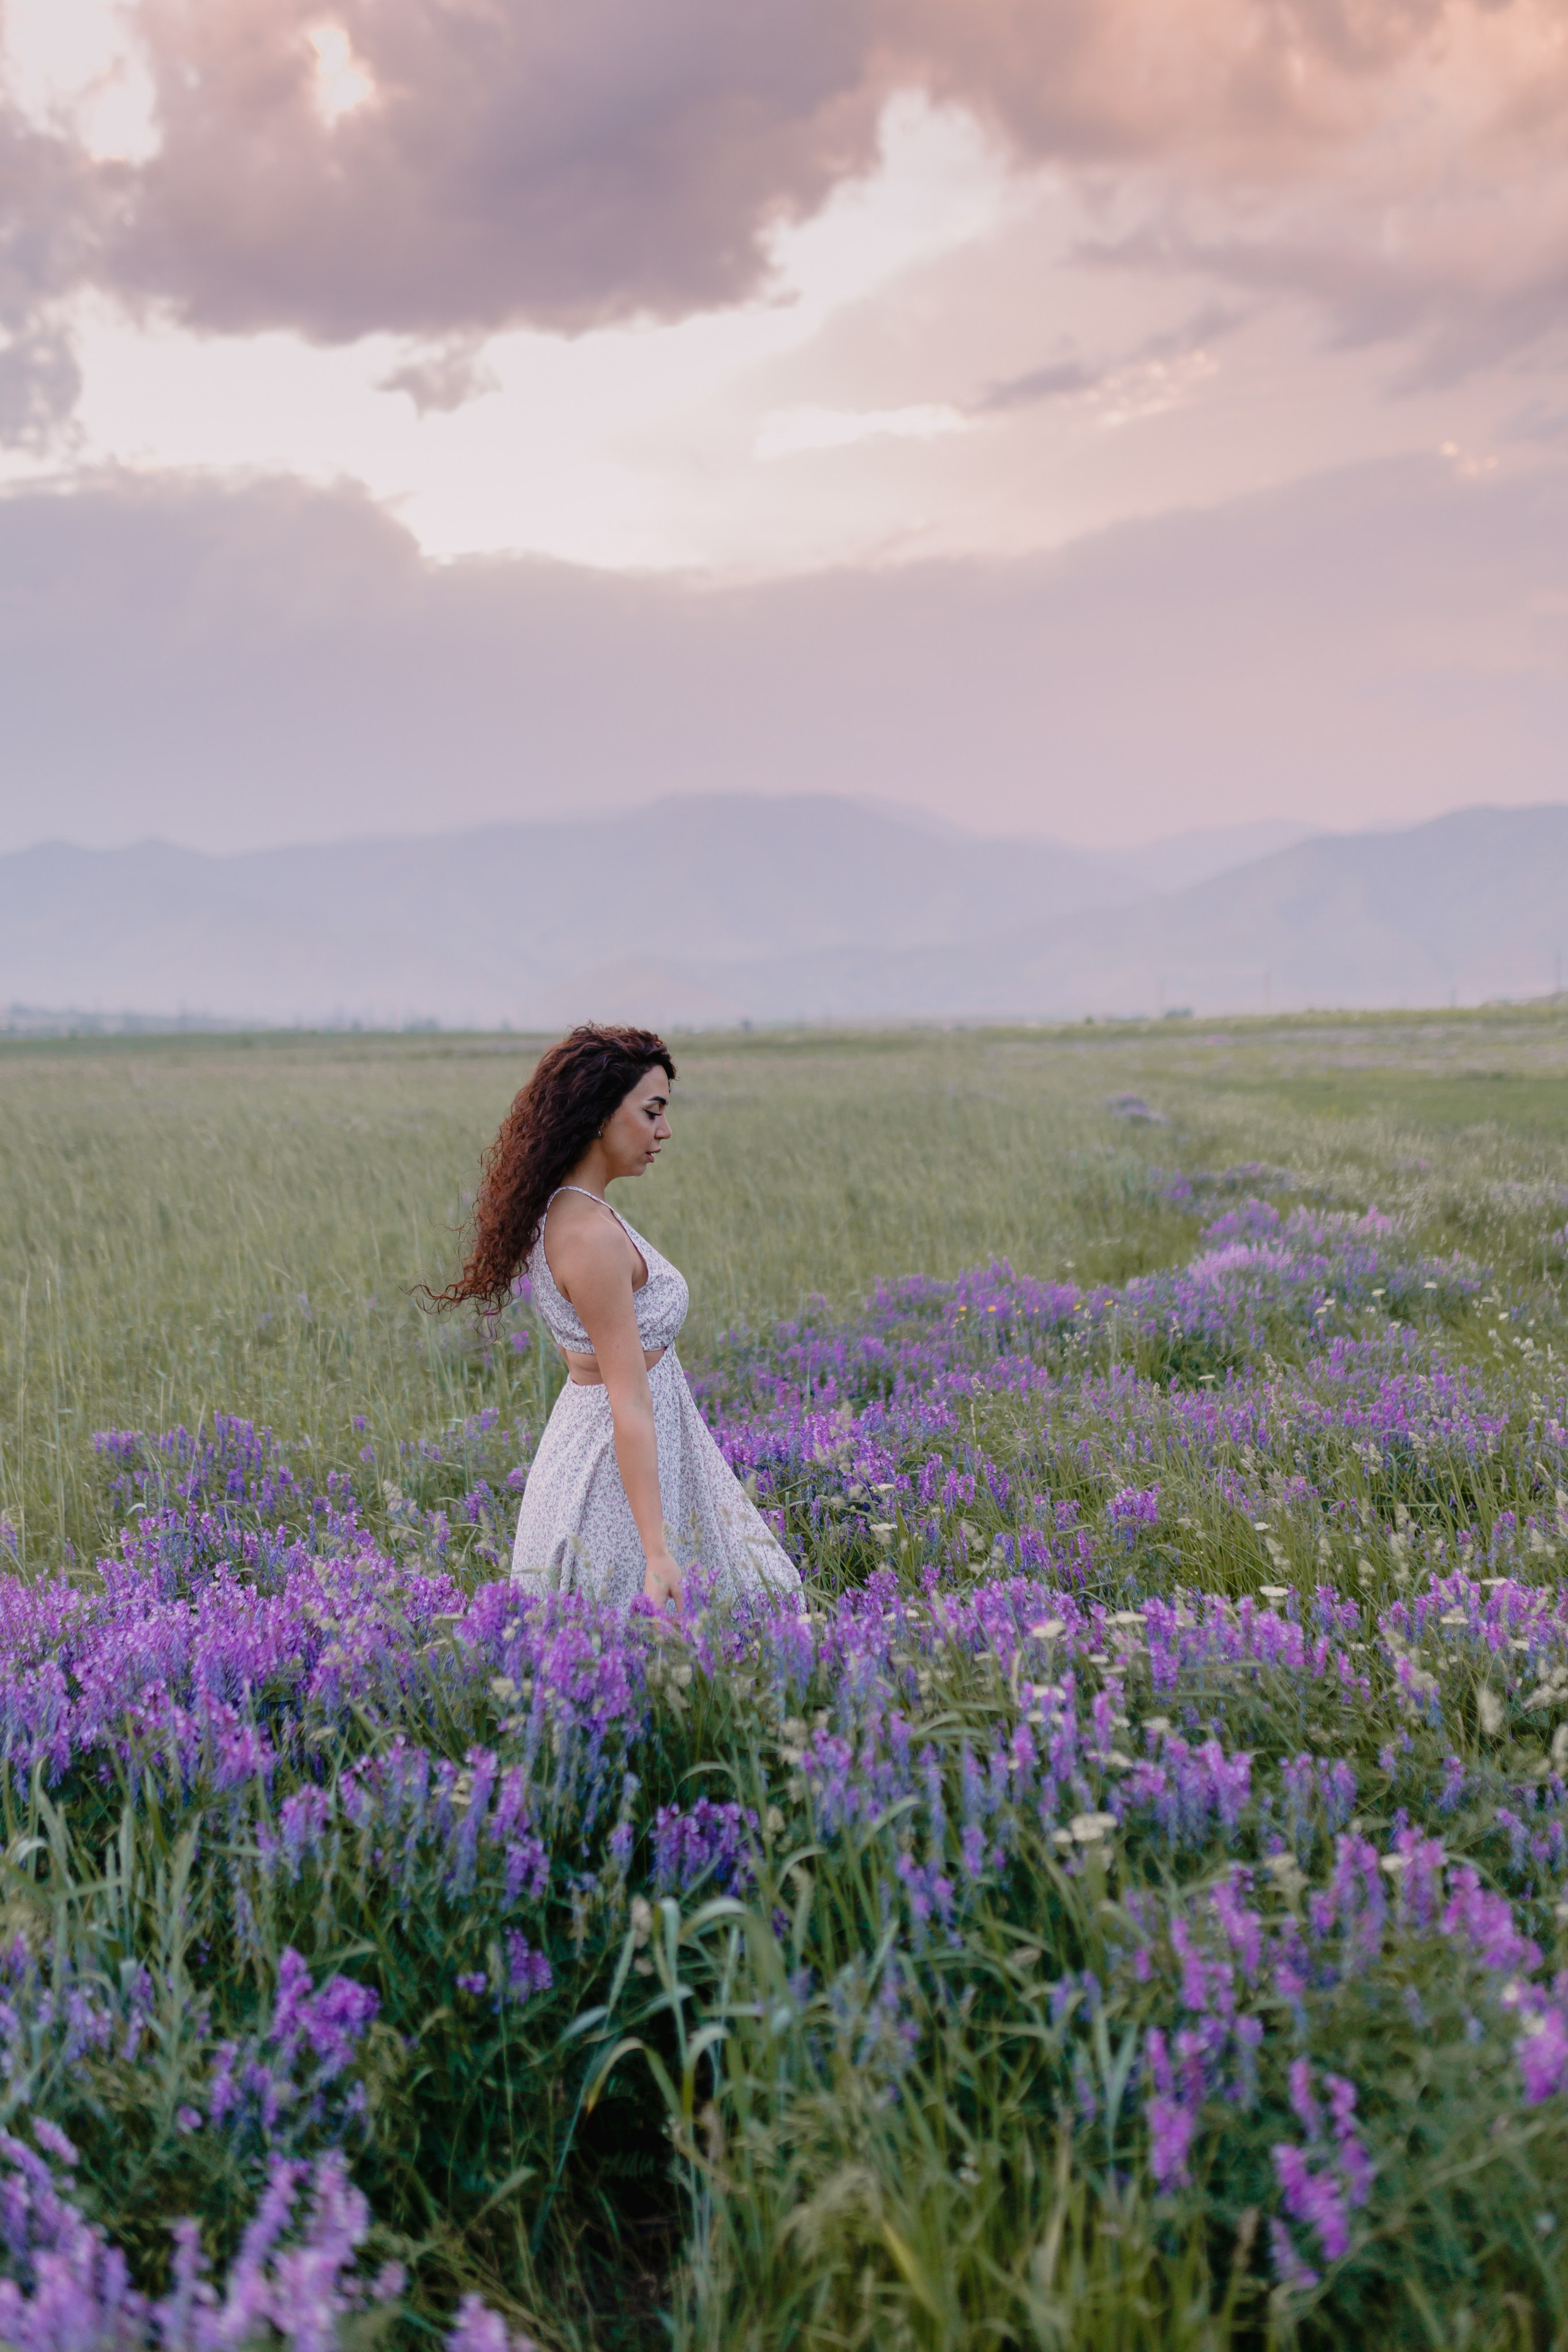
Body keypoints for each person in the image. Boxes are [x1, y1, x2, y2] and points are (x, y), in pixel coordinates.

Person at [434, 1023, 801, 1612]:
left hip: (614, 1452)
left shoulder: (568, 1209)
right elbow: (627, 1401)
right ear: (601, 1113)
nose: (665, 1130)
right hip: (611, 1475)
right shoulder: (589, 1237)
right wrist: (657, 1553)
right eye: (651, 1111)